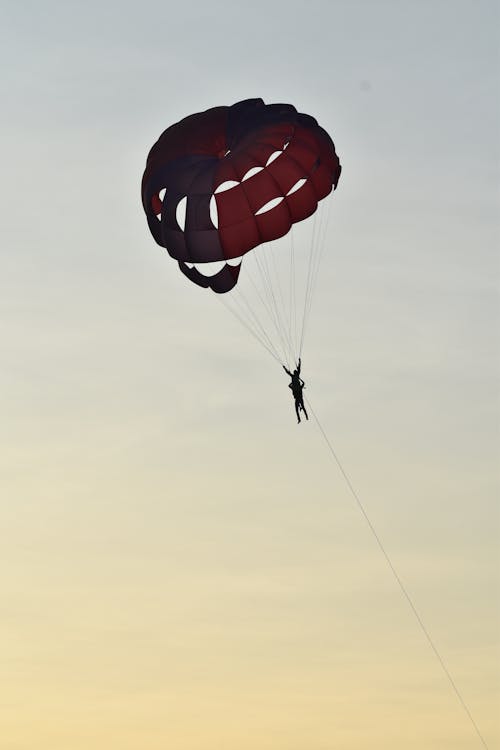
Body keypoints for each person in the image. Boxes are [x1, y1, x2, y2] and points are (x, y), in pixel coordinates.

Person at [283, 358, 309, 423]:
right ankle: (303, 417)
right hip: (299, 398)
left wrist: (300, 361)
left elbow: (289, 372)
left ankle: (303, 417)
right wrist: (299, 361)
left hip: (298, 398)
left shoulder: (295, 377)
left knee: (299, 408)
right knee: (300, 408)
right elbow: (291, 371)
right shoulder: (296, 377)